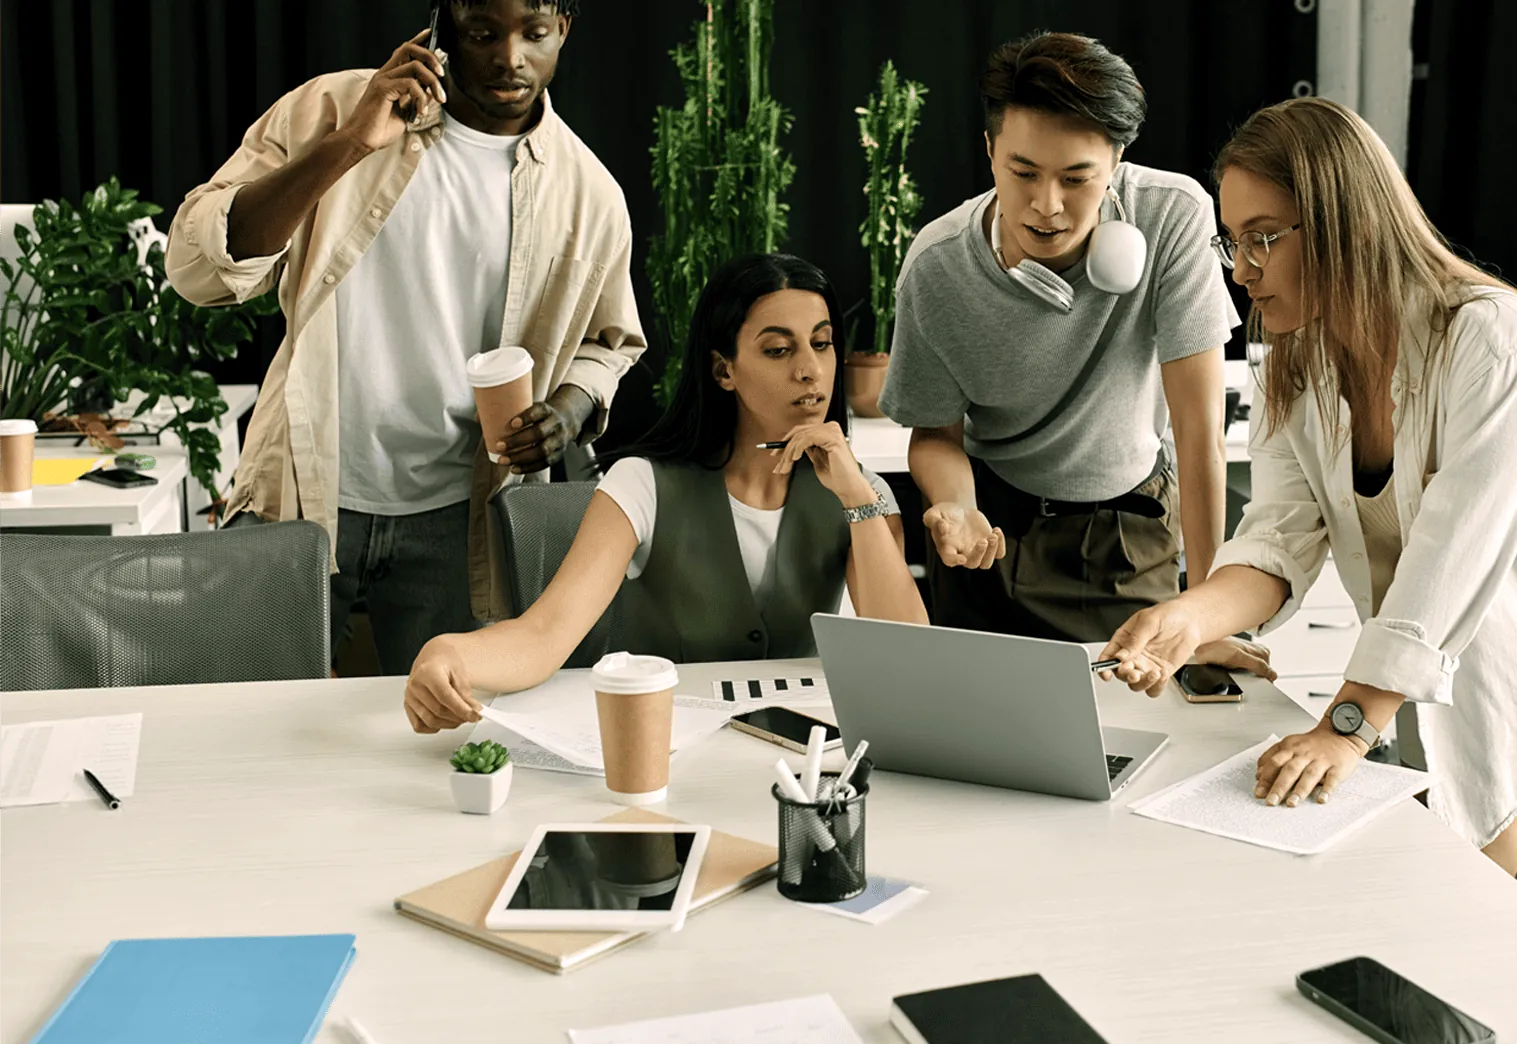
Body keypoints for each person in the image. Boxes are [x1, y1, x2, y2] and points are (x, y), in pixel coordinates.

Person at [1099, 97, 1517, 873]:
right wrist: (1188, 618)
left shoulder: (1487, 336)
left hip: (1499, 693)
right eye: (1233, 241)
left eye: (1262, 238)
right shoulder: (1294, 360)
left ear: (1344, 222)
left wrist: (1348, 724)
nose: (1239, 269)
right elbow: (1278, 538)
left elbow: (1452, 552)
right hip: (1401, 709)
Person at [165, 0, 644, 672]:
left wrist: (566, 409)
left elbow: (608, 341)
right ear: (437, 32)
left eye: (534, 34)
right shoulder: (328, 110)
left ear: (564, 31)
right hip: (300, 492)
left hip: (460, 518)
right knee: (256, 718)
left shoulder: (588, 191)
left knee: (436, 745)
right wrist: (352, 142)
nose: (510, 59)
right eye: (482, 34)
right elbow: (195, 270)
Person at [403, 253, 929, 733]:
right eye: (777, 349)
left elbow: (909, 657)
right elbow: (543, 637)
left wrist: (859, 498)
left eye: (821, 343)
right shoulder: (642, 483)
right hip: (659, 745)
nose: (810, 369)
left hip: (796, 757)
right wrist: (448, 653)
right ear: (725, 370)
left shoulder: (860, 493)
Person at [880, 31, 1243, 646]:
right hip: (994, 534)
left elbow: (1199, 429)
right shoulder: (937, 267)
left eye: (1077, 179)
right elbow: (935, 437)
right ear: (991, 150)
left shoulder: (1174, 215)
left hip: (1133, 525)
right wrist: (958, 504)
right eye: (1023, 172)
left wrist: (1208, 613)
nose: (1047, 206)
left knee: (1146, 725)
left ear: (1117, 160)